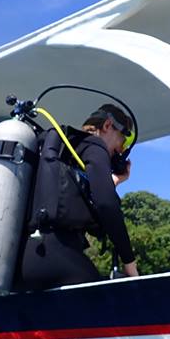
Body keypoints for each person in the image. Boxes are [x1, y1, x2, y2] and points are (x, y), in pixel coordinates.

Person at [17, 104, 139, 290]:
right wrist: (129, 262)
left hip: (22, 259)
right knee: (108, 305)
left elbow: (73, 193)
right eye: (124, 138)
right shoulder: (95, 145)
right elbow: (106, 204)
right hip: (57, 252)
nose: (122, 149)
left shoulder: (64, 152)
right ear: (107, 126)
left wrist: (112, 182)